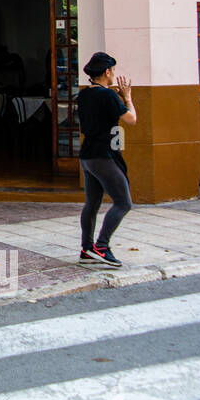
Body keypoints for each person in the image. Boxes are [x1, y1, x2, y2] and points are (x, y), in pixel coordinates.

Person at [76, 51, 137, 268]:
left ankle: (87, 248)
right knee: (123, 202)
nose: (114, 74)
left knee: (92, 204)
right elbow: (131, 119)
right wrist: (127, 98)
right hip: (104, 156)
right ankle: (102, 246)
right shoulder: (108, 96)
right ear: (107, 71)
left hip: (87, 156)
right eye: (113, 70)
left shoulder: (83, 94)